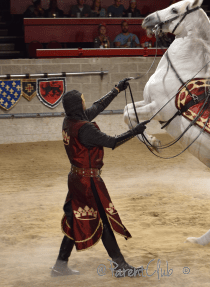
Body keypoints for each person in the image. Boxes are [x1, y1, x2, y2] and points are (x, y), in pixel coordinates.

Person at [51, 82, 148, 277]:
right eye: (82, 100)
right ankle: (120, 265)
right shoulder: (85, 128)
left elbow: (97, 106)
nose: (86, 102)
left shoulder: (70, 121)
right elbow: (112, 141)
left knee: (74, 218)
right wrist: (134, 132)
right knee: (102, 221)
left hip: (76, 179)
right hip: (88, 183)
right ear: (78, 105)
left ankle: (60, 266)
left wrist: (116, 90)